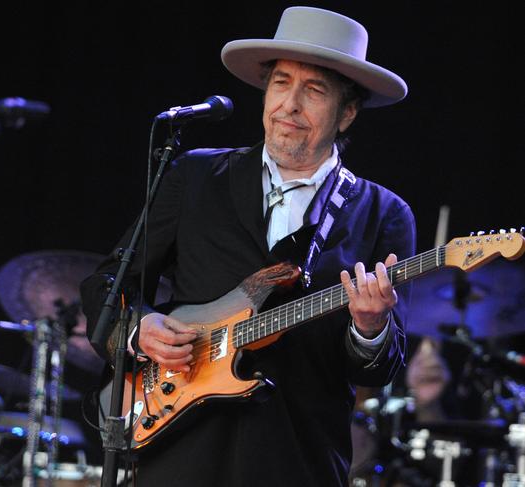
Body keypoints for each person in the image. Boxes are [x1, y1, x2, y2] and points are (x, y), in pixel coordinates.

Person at [81, 6, 416, 486]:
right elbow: (108, 284)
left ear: (348, 112)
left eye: (314, 90)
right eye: (280, 83)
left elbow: (379, 369)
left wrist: (370, 325)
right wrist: (140, 329)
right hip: (180, 450)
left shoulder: (384, 213)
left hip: (298, 457)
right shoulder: (195, 175)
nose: (289, 105)